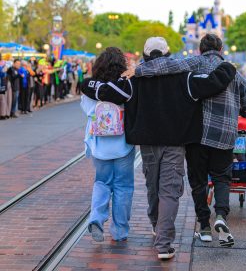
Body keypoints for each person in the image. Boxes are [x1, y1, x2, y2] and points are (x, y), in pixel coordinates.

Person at [82, 40, 236, 259]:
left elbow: (106, 92)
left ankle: (156, 224)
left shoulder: (135, 80)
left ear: (145, 57)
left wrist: (86, 83)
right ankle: (163, 244)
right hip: (175, 143)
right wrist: (228, 67)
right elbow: (213, 83)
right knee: (170, 191)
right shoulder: (186, 78)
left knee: (153, 187)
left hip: (147, 144)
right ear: (168, 54)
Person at [123, 33, 246, 248]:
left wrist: (137, 70)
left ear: (200, 49)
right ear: (221, 49)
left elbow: (164, 67)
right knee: (222, 177)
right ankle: (221, 215)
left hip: (197, 134)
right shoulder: (232, 72)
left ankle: (203, 225)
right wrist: (242, 109)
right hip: (223, 135)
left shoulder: (192, 64)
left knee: (197, 181)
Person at [81, 47, 136, 243]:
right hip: (123, 145)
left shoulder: (90, 88)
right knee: (123, 186)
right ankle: (120, 231)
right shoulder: (126, 86)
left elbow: (87, 111)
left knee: (101, 182)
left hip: (99, 145)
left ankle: (96, 217)